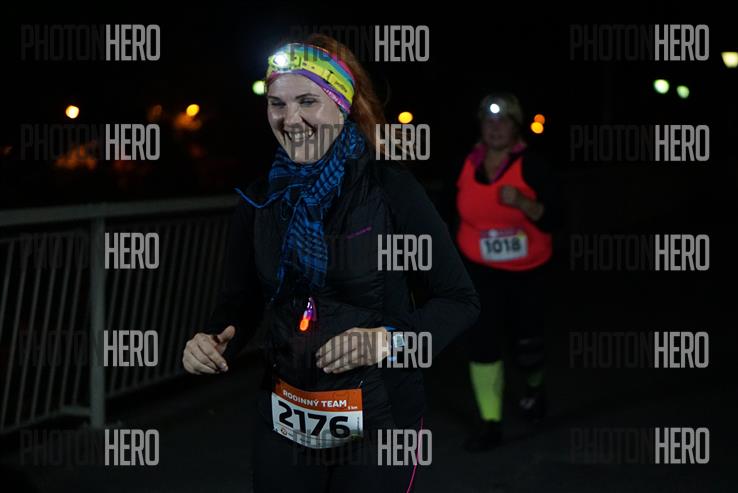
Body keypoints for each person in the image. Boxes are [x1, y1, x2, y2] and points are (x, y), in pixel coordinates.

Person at [182, 34, 480, 492]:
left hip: (379, 419)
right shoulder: (259, 200)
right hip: (286, 415)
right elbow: (239, 302)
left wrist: (387, 341)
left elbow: (459, 301)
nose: (290, 118)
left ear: (342, 106)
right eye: (277, 103)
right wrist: (214, 340)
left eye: (307, 101)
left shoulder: (390, 188)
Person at [455, 93, 559, 452]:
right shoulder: (466, 163)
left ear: (516, 127)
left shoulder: (533, 166)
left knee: (526, 346)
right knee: (482, 343)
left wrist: (526, 203)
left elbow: (558, 217)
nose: (495, 127)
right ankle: (490, 423)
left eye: (503, 121)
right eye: (488, 121)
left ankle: (534, 388)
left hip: (527, 272)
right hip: (479, 270)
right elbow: (447, 209)